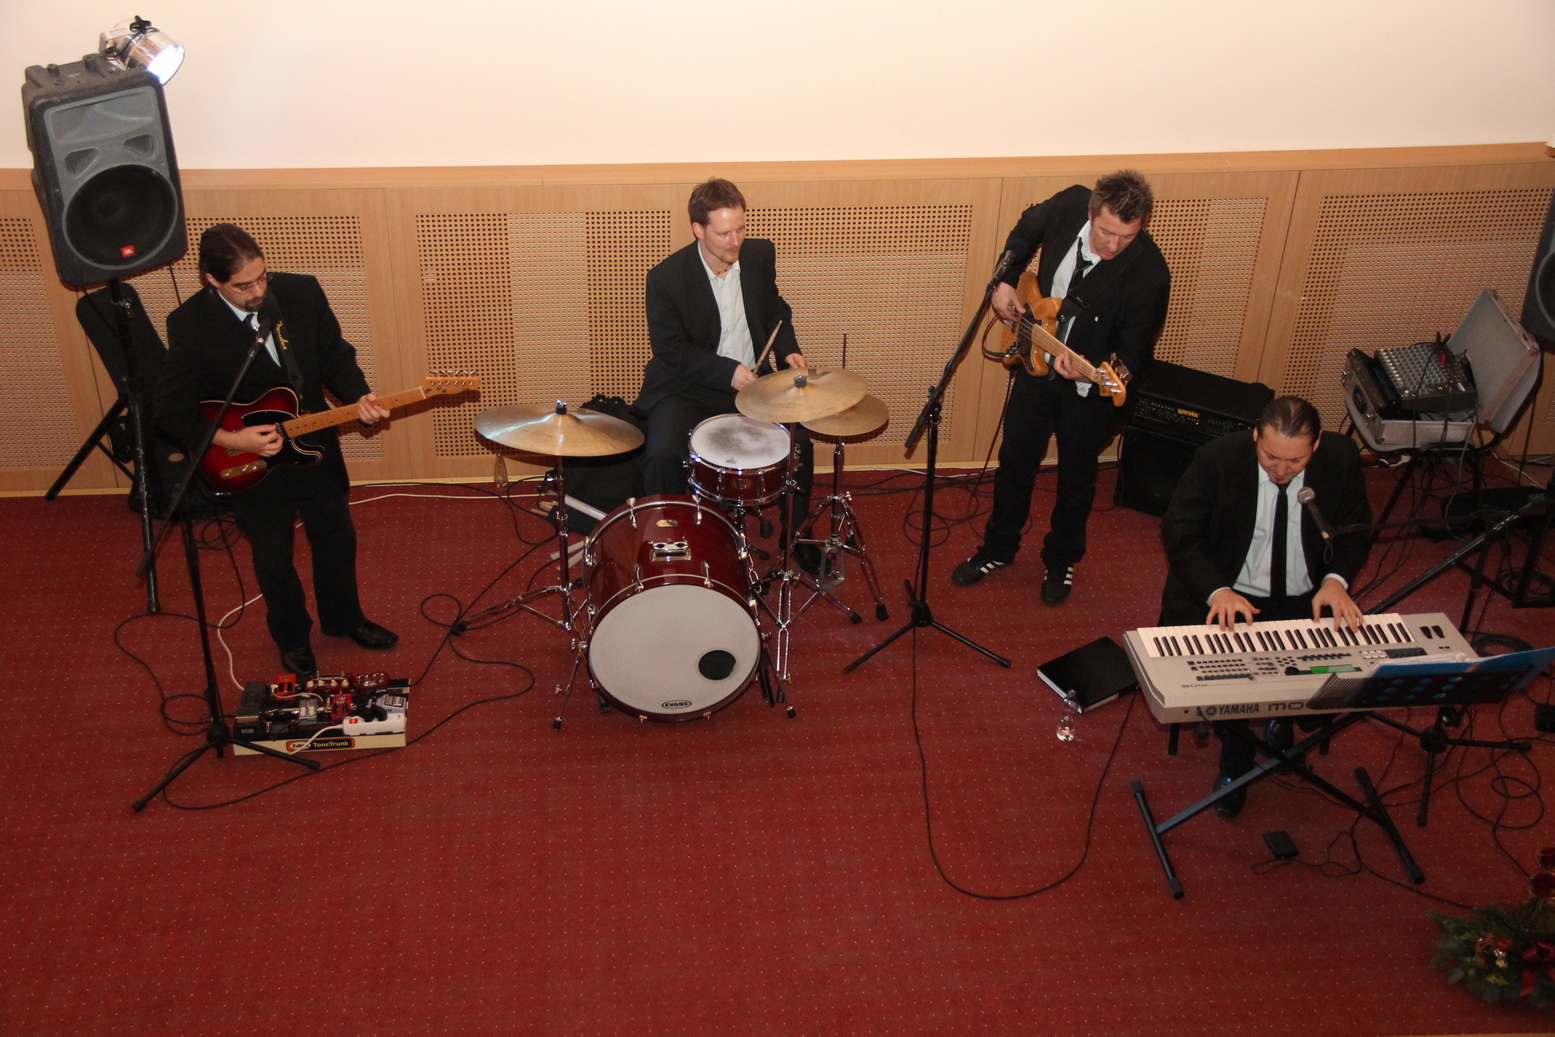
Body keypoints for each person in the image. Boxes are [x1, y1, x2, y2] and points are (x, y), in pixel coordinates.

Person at [156, 223, 398, 678]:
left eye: (262, 277)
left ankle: (345, 619)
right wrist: (233, 440)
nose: (258, 291)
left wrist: (358, 397)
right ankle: (291, 637)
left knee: (337, 538)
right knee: (273, 555)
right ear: (212, 280)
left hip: (315, 444)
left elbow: (335, 356)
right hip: (253, 460)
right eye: (243, 286)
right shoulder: (190, 324)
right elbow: (170, 410)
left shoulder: (301, 293)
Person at [952, 170, 1171, 605]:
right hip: (1035, 367)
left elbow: (1135, 353)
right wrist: (1005, 279)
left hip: (1088, 390)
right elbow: (1025, 230)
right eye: (1106, 232)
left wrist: (1100, 372)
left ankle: (1061, 559)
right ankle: (998, 547)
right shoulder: (1069, 204)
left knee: (1076, 478)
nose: (1114, 246)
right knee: (1015, 462)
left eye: (1127, 236)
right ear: (1091, 213)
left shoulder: (1149, 274)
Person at [1158, 395, 1372, 818]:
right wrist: (1217, 590)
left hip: (1307, 597)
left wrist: (1335, 582)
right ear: (1256, 435)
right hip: (1233, 593)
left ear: (1316, 445)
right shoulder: (1219, 458)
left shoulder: (1341, 458)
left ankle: (1284, 718)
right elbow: (1179, 533)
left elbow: (1356, 530)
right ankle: (1235, 767)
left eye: (1294, 461)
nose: (1280, 470)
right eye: (1270, 456)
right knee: (1236, 681)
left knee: (1333, 671)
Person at [633, 177, 819, 571]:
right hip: (688, 387)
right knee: (662, 454)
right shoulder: (666, 278)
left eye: (740, 229)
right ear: (698, 229)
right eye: (723, 233)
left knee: (800, 444)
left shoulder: (759, 255)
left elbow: (775, 309)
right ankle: (671, 543)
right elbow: (670, 349)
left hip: (753, 383)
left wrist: (788, 350)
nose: (735, 242)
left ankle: (797, 537)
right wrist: (726, 370)